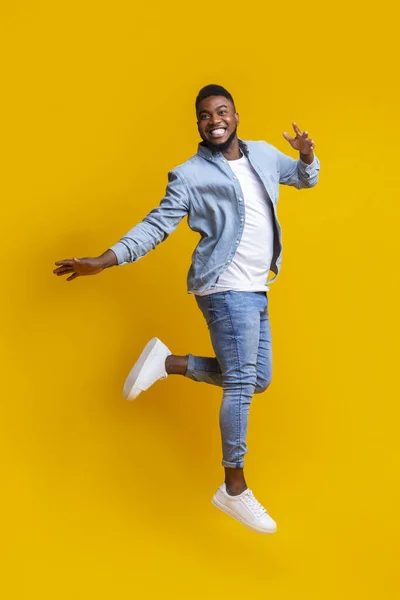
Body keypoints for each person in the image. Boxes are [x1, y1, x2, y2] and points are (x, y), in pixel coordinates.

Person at [53, 84, 320, 534]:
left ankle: (169, 362)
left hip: (257, 287)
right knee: (240, 381)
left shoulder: (265, 155)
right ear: (197, 124)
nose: (213, 119)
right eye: (203, 115)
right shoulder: (190, 174)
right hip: (223, 286)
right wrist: (104, 259)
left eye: (221, 111)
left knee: (258, 379)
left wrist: (308, 156)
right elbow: (156, 226)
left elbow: (303, 178)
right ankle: (233, 486)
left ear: (236, 115)